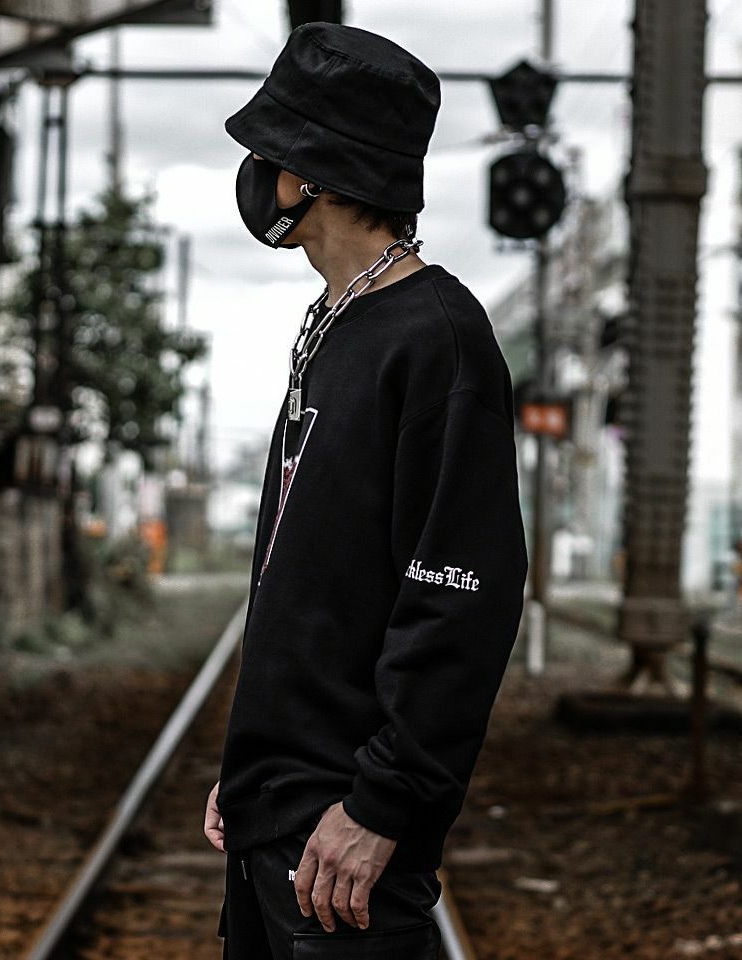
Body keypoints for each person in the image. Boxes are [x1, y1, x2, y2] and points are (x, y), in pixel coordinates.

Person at [203, 21, 528, 960]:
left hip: (343, 846)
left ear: (315, 173)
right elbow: (311, 578)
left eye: (271, 152)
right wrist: (255, 767)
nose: (258, 173)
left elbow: (461, 600)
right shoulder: (334, 323)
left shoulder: (438, 341)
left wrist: (384, 803)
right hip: (280, 815)